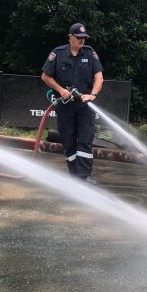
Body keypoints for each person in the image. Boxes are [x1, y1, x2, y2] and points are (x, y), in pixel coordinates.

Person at [41, 23, 103, 182]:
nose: (82, 40)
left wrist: (92, 94)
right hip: (65, 106)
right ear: (70, 37)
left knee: (85, 140)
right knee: (68, 140)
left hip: (84, 106)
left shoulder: (90, 53)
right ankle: (75, 177)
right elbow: (45, 76)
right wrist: (60, 90)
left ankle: (84, 177)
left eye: (84, 38)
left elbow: (99, 77)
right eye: (78, 37)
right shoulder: (58, 53)